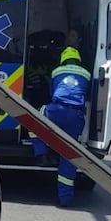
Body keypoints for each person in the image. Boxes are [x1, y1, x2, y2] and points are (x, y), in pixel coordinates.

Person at [32, 46, 91, 207]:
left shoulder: (57, 71)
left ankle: (41, 153)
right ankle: (65, 198)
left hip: (56, 111)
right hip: (75, 116)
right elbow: (86, 94)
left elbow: (51, 93)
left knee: (32, 116)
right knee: (68, 154)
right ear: (78, 59)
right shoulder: (87, 74)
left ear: (63, 60)